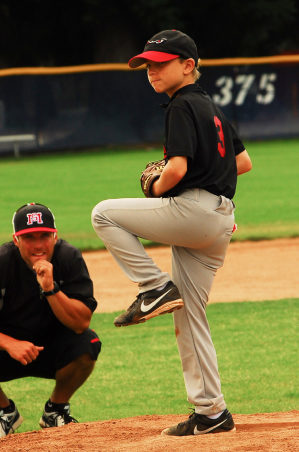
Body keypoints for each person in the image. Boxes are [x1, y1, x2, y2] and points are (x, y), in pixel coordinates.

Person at [91, 29, 252, 436]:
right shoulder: (213, 109)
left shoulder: (180, 105)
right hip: (218, 220)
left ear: (188, 66)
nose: (151, 71)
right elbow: (244, 163)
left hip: (194, 212)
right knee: (189, 316)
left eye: (160, 64)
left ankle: (153, 286)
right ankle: (212, 414)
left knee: (104, 214)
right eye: (147, 65)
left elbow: (176, 169)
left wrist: (155, 186)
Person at [0, 203, 101, 438]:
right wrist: (9, 343)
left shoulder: (69, 258)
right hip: (8, 350)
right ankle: (4, 412)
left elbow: (81, 323)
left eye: (44, 236)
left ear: (54, 236)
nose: (38, 245)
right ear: (16, 240)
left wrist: (50, 289)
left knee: (89, 342)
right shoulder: (2, 262)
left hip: (51, 348)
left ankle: (55, 410)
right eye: (29, 237)